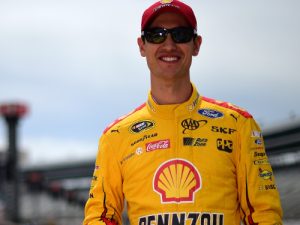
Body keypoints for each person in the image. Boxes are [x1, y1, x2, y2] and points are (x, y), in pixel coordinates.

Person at [83, 1, 283, 225]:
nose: (169, 44)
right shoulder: (116, 136)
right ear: (142, 46)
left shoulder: (238, 125)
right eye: (156, 35)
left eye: (180, 34)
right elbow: (99, 218)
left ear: (196, 45)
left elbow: (264, 215)